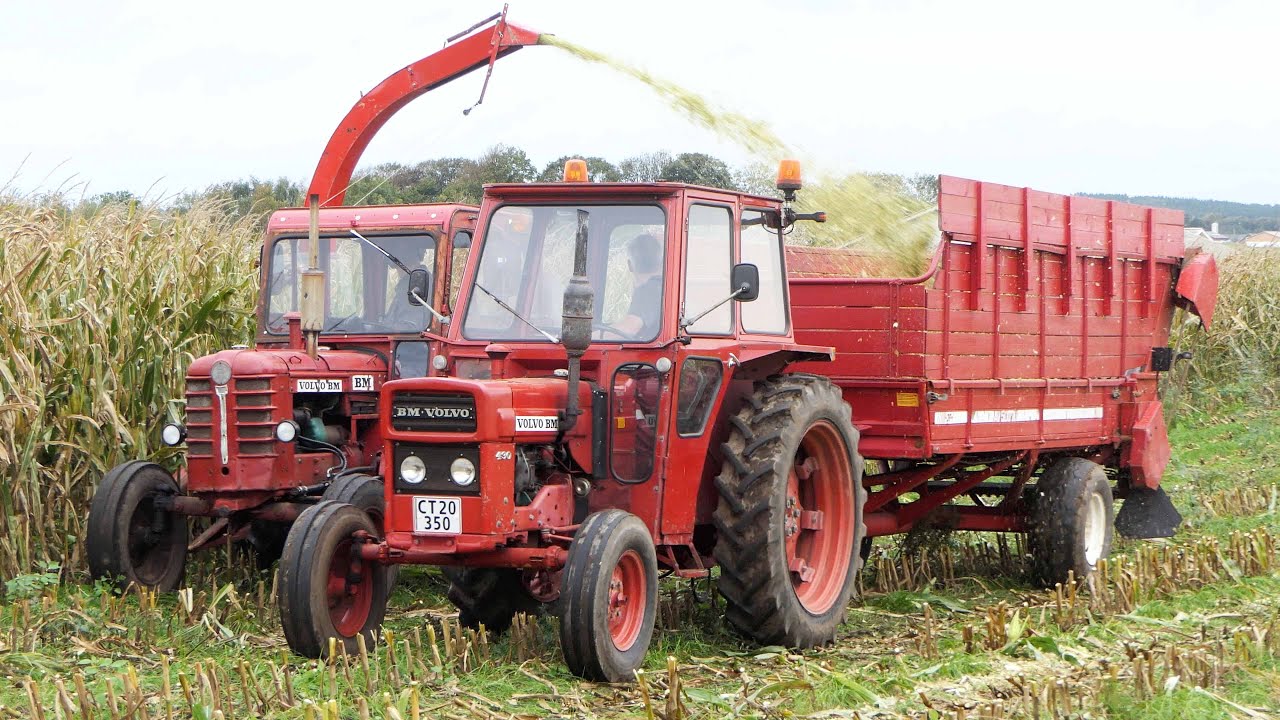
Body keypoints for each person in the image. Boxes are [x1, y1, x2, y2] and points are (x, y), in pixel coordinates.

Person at [612, 233, 663, 340]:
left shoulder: (650, 290)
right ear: (660, 263)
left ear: (630, 265)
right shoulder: (662, 288)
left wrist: (589, 338)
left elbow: (630, 328)